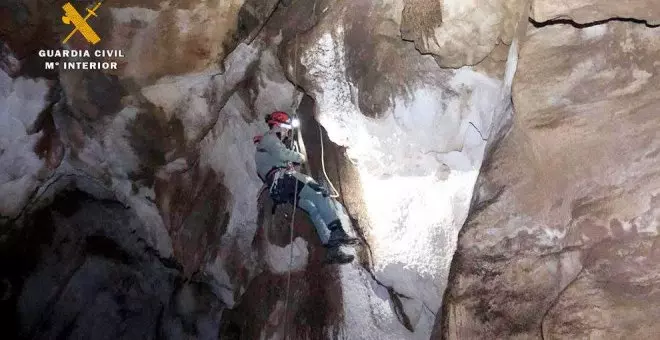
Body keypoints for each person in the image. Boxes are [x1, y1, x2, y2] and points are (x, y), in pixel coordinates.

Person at [254, 111, 358, 264]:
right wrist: (299, 157)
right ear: (278, 125)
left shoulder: (265, 148)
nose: (287, 133)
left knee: (311, 208)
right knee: (319, 193)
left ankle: (332, 249)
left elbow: (276, 160)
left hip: (279, 189)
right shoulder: (269, 138)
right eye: (286, 129)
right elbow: (282, 154)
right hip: (283, 180)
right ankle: (337, 231)